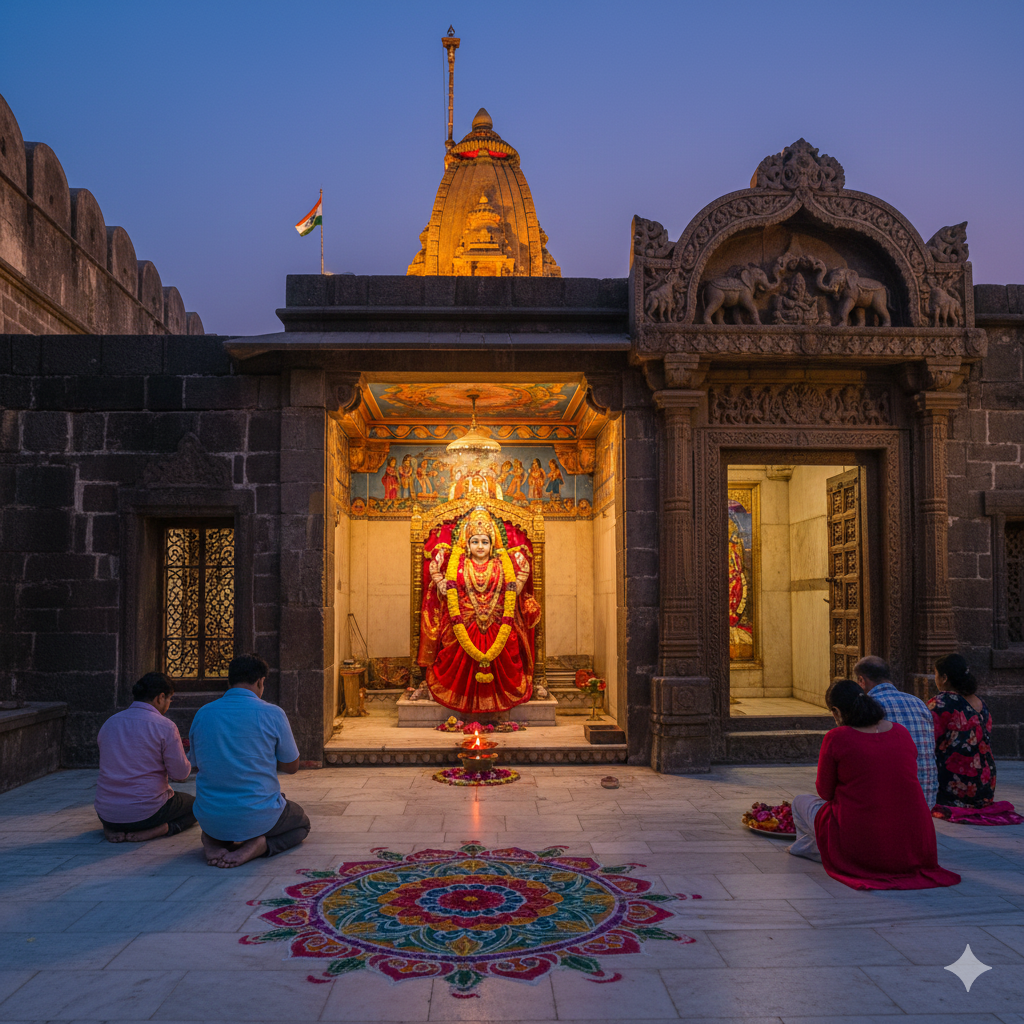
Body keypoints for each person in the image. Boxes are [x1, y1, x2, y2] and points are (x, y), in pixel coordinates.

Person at [789, 679, 960, 890]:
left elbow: (824, 792)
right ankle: (814, 848)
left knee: (800, 802)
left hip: (865, 843)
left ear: (836, 711)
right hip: (914, 847)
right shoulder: (900, 732)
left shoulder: (837, 737)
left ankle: (822, 850)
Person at [188, 654, 310, 868]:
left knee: (223, 819)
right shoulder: (273, 713)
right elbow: (292, 766)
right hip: (259, 814)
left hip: (211, 816)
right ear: (261, 681)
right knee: (301, 824)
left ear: (229, 681)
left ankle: (211, 840)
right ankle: (260, 845)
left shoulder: (203, 713)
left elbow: (196, 764)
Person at [418, 505, 541, 714]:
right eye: (475, 542)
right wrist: (437, 575)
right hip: (462, 624)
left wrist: (524, 573)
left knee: (508, 647)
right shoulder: (458, 565)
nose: (480, 546)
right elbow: (447, 591)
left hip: (498, 623)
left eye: (485, 542)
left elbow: (513, 590)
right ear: (467, 544)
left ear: (492, 545)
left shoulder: (502, 565)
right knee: (453, 651)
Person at [94, 672, 195, 842]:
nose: (169, 704)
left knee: (120, 810)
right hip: (147, 814)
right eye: (170, 699)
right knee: (197, 806)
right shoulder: (165, 726)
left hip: (106, 813)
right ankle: (161, 829)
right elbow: (180, 774)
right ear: (160, 698)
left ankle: (111, 829)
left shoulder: (110, 723)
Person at [928, 653, 1021, 824]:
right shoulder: (980, 702)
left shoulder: (940, 703)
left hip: (957, 782)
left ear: (945, 678)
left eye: (936, 674)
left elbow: (928, 739)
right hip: (985, 783)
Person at [853, 655, 937, 809]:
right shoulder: (918, 702)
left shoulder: (868, 706)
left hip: (888, 802)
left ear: (861, 681)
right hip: (926, 799)